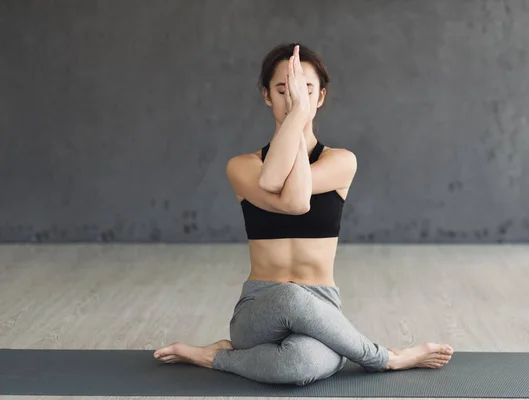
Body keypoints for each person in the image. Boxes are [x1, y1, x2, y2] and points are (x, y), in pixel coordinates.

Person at [153, 43, 454, 386]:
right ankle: (387, 358)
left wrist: (294, 119)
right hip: (260, 309)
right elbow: (291, 200)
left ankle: (216, 356)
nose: (293, 98)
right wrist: (298, 116)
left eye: (305, 90)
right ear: (267, 96)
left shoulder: (341, 161)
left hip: (322, 305)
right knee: (292, 294)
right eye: (283, 90)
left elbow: (288, 189)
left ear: (321, 96)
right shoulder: (242, 166)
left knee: (298, 366)